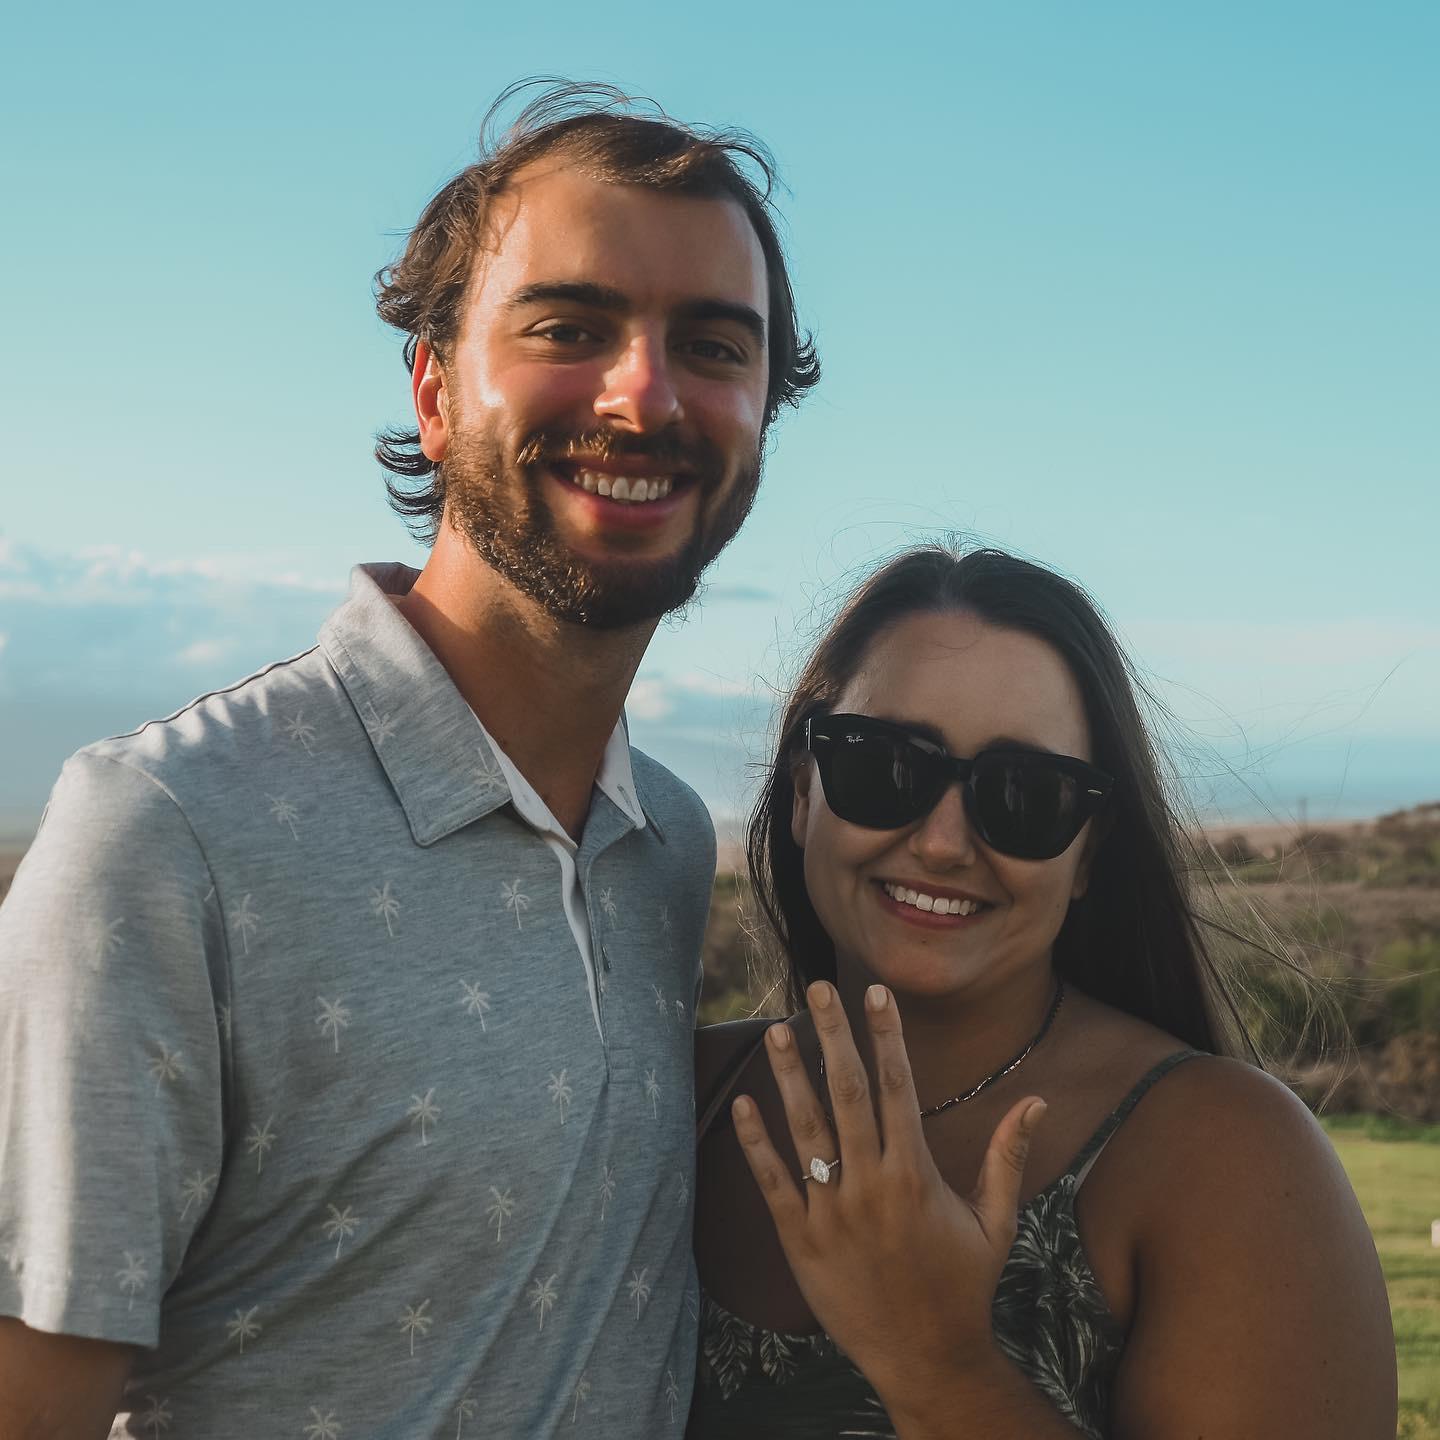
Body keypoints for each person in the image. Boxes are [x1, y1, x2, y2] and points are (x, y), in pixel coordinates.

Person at [0, 81, 818, 1438]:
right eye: (570, 327)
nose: (645, 393)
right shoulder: (166, 831)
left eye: (715, 346)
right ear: (435, 391)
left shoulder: (665, 844)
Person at [689, 546, 1396, 1438]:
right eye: (884, 766)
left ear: (1088, 850)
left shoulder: (1225, 1157)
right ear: (802, 792)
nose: (942, 843)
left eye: (1024, 795)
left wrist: (936, 1362)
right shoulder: (680, 1101)